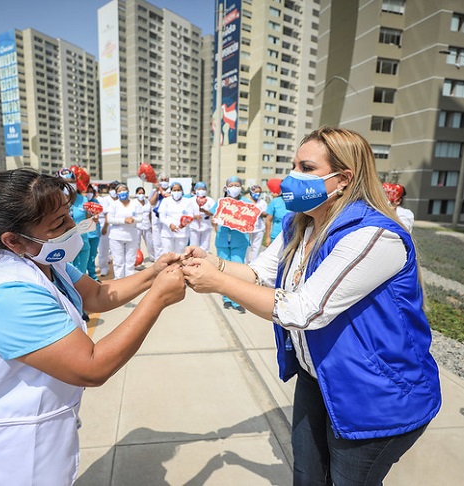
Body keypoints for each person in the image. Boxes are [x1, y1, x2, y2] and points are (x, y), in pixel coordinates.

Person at [181, 127, 441, 485]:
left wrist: (219, 283)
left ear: (344, 179)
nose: (293, 177)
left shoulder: (374, 236)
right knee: (307, 476)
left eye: (306, 168)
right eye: (294, 166)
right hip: (317, 377)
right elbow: (259, 271)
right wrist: (214, 263)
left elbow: (304, 309)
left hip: (373, 393)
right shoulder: (298, 225)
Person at [0, 168, 185, 485]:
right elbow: (91, 367)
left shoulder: (44, 260)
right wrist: (158, 298)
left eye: (68, 215)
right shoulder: (4, 296)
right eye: (58, 223)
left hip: (36, 451)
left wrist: (154, 274)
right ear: (13, 240)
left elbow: (97, 294)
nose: (71, 227)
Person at [213, 176, 250, 313]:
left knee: (237, 269)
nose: (234, 188)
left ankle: (236, 299)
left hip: (239, 240)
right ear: (226, 187)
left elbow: (250, 221)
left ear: (241, 187)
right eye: (231, 185)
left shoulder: (246, 203)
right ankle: (226, 298)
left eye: (236, 185)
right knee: (223, 269)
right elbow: (213, 217)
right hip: (223, 240)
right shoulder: (221, 202)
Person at [59, 168, 92, 274]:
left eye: (72, 182)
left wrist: (93, 220)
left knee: (81, 273)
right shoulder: (56, 201)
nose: (70, 185)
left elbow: (88, 220)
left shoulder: (83, 200)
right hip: (64, 244)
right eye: (66, 183)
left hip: (82, 242)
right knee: (68, 274)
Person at [106, 183, 142, 278]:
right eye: (119, 191)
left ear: (128, 191)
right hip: (116, 237)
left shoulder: (135, 203)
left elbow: (141, 217)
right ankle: (119, 279)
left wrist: (134, 219)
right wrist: (124, 220)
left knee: (130, 261)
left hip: (131, 236)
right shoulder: (114, 204)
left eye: (124, 190)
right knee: (119, 261)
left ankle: (129, 280)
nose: (122, 192)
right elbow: (109, 219)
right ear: (116, 193)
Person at [157, 181, 199, 254]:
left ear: (182, 191)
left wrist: (184, 224)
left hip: (182, 234)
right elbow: (162, 217)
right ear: (171, 191)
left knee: (180, 255)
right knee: (167, 254)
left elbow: (190, 216)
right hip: (167, 233)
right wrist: (170, 224)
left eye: (178, 190)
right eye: (174, 190)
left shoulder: (187, 201)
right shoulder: (165, 201)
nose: (176, 192)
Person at [97, 181, 119, 277]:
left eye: (115, 188)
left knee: (116, 248)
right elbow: (106, 214)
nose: (113, 191)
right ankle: (103, 267)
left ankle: (117, 268)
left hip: (118, 225)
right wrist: (105, 227)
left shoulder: (121, 200)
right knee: (103, 248)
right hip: (106, 224)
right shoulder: (105, 200)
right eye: (112, 188)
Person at [149, 173, 171, 260]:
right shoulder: (154, 191)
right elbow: (151, 202)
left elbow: (167, 196)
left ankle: (167, 260)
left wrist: (162, 190)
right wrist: (157, 191)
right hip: (156, 220)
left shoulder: (172, 191)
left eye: (166, 180)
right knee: (157, 242)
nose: (164, 182)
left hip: (167, 220)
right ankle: (158, 260)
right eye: (162, 180)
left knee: (166, 241)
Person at [189, 181, 215, 252]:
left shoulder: (210, 200)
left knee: (205, 248)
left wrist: (204, 211)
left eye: (203, 189)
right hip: (194, 226)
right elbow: (187, 214)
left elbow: (214, 212)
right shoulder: (191, 200)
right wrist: (195, 217)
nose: (201, 191)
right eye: (199, 189)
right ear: (195, 190)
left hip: (206, 226)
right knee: (194, 247)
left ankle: (204, 261)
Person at [264, 178, 289, 247]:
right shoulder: (275, 202)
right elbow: (268, 220)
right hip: (276, 236)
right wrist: (267, 237)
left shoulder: (296, 203)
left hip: (291, 237)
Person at [84, 184, 102, 280]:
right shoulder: (81, 202)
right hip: (84, 234)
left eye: (91, 191)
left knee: (92, 255)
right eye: (87, 191)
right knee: (83, 255)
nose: (89, 193)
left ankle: (93, 276)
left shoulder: (95, 202)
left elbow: (97, 216)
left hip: (94, 234)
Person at [247, 184, 268, 263]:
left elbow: (265, 214)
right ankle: (245, 262)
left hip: (259, 228)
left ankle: (253, 263)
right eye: (256, 192)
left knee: (256, 247)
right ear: (251, 192)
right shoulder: (246, 201)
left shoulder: (262, 202)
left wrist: (258, 211)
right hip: (248, 228)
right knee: (247, 246)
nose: (258, 194)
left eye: (259, 192)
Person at [135, 186, 154, 262]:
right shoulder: (133, 203)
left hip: (147, 225)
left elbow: (150, 214)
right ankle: (137, 259)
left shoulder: (147, 202)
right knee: (136, 244)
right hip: (137, 226)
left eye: (142, 193)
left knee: (150, 243)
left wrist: (151, 224)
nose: (141, 195)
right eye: (139, 193)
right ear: (136, 194)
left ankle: (153, 257)